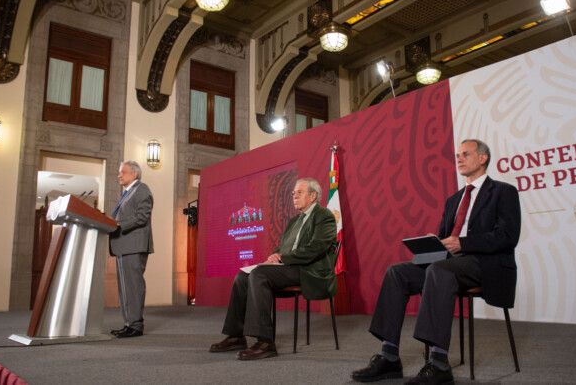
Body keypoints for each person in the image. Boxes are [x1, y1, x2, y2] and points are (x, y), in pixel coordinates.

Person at [351, 139, 521, 384]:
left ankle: (439, 363)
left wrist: (464, 243)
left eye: (466, 154)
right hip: (450, 262)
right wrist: (437, 241)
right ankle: (389, 358)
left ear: (483, 158)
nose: (459, 159)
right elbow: (446, 237)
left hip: (484, 264)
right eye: (457, 155)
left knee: (439, 270)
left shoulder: (504, 192)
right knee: (397, 272)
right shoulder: (454, 199)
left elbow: (508, 237)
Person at [209, 178, 338, 360]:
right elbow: (284, 248)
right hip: (290, 267)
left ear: (313, 196)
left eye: (299, 192)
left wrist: (282, 257)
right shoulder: (294, 220)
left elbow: (316, 248)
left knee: (259, 275)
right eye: (293, 193)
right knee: (242, 277)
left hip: (311, 270)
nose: (294, 196)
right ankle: (236, 336)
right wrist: (274, 256)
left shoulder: (324, 216)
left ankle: (265, 342)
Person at [109, 161, 154, 338]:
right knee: (125, 288)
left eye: (123, 172)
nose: (119, 175)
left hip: (133, 245)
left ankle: (136, 325)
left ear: (134, 174)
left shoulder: (142, 189)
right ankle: (129, 323)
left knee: (133, 286)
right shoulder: (128, 192)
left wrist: (118, 225)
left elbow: (142, 217)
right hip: (123, 245)